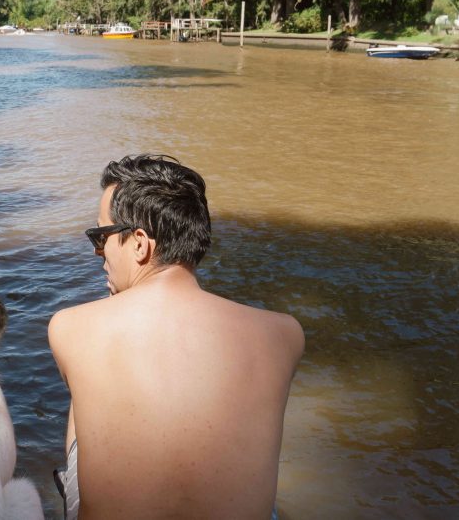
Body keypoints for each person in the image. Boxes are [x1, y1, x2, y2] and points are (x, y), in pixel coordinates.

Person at [49, 155, 304, 519]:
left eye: (100, 236)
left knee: (83, 400)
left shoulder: (70, 327)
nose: (98, 252)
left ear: (139, 243)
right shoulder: (285, 334)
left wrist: (113, 306)